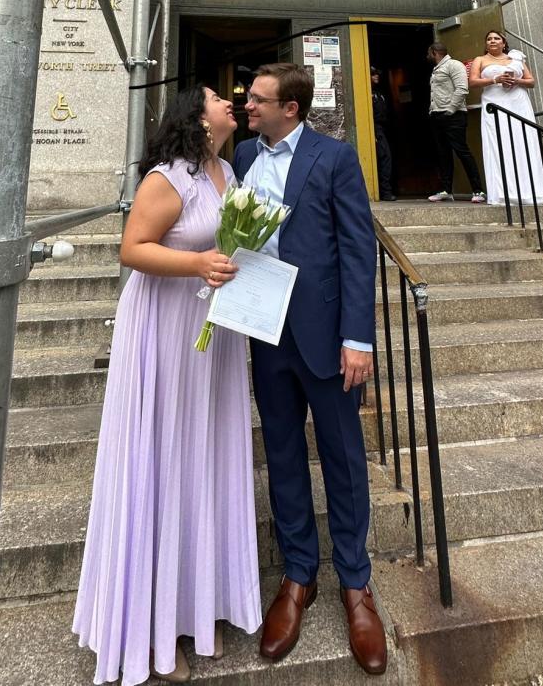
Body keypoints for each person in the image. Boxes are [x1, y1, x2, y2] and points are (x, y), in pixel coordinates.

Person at [73, 86, 261, 685]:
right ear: (194, 117)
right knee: (161, 459)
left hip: (213, 331)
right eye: (216, 98)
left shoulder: (227, 169)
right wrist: (199, 264)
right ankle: (151, 627)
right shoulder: (168, 176)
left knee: (200, 459)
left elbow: (229, 245)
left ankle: (197, 605)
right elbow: (132, 248)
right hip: (165, 328)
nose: (230, 103)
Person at [235, 63, 387, 676]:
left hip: (325, 335)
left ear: (290, 109)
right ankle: (299, 576)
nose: (248, 106)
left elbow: (356, 246)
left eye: (257, 100)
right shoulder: (242, 153)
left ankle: (356, 583)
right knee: (282, 451)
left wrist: (359, 337)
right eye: (246, 100)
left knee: (344, 456)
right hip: (263, 329)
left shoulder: (334, 157)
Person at [469, 30, 543, 206]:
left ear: (504, 43)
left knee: (523, 140)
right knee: (500, 143)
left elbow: (532, 82)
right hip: (494, 103)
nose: (492, 41)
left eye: (496, 38)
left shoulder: (516, 59)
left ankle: (532, 191)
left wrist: (517, 81)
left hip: (518, 103)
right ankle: (503, 192)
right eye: (489, 38)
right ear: (486, 44)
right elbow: (473, 82)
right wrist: (495, 80)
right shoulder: (480, 60)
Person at [426, 41, 485, 204]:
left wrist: (450, 110)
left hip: (453, 115)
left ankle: (478, 190)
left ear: (434, 52)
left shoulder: (454, 65)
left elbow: (462, 89)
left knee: (462, 151)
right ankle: (446, 190)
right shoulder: (436, 69)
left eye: (428, 53)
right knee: (443, 154)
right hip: (437, 115)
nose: (427, 56)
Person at [369, 66, 395, 200]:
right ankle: (385, 192)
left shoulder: (380, 93)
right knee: (384, 158)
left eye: (377, 74)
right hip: (374, 128)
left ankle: (386, 191)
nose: (376, 76)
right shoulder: (366, 94)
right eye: (373, 74)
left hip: (383, 128)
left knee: (386, 159)